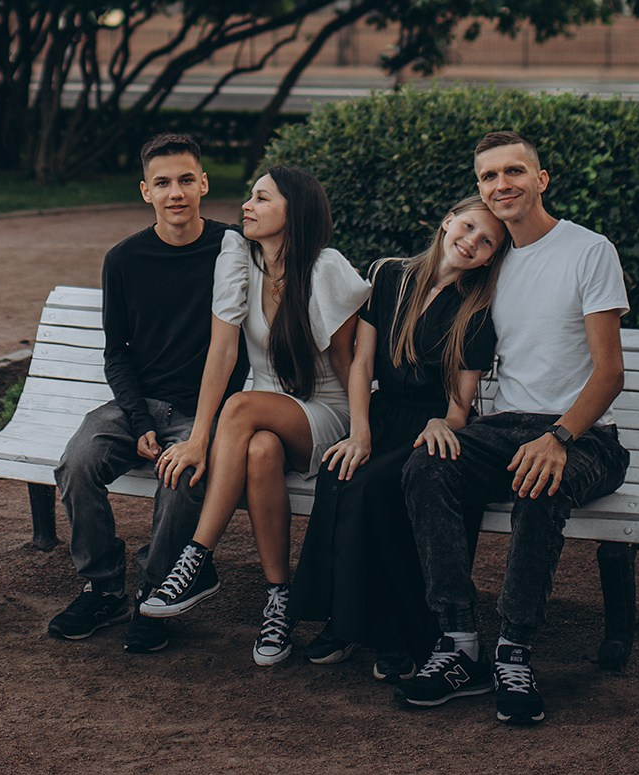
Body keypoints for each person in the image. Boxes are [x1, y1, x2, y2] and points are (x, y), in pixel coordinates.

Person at [398, 130, 631, 726]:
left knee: (540, 481)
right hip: (505, 428)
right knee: (426, 464)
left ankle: (514, 649)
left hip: (585, 435)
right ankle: (457, 643)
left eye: (513, 172)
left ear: (541, 178)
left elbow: (609, 374)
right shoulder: (493, 262)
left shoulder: (589, 250)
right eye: (488, 177)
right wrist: (446, 417)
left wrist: (560, 438)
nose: (501, 185)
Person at [140, 166, 369, 666]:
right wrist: (201, 436)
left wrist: (364, 432)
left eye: (262, 198)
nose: (247, 205)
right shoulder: (239, 258)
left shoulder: (326, 268)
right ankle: (278, 601)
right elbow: (221, 354)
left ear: (294, 212)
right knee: (260, 451)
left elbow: (353, 364)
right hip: (266, 416)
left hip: (326, 413)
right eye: (250, 196)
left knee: (240, 406)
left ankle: (197, 557)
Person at [289, 195, 508, 679]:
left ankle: (397, 634)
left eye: (486, 240)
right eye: (468, 226)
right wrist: (359, 435)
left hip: (433, 434)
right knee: (339, 472)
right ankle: (342, 625)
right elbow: (363, 364)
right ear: (448, 221)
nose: (471, 241)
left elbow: (459, 406)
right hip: (380, 417)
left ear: (492, 256)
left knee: (375, 491)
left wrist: (442, 424)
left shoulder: (477, 309)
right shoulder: (390, 276)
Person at [48, 133, 236, 654]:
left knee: (182, 475)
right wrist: (137, 420)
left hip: (206, 409)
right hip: (141, 402)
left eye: (184, 180)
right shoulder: (124, 259)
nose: (175, 192)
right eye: (162, 183)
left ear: (202, 183)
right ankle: (104, 586)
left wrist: (201, 425)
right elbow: (118, 352)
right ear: (145, 192)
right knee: (77, 462)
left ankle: (157, 592)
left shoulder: (233, 249)